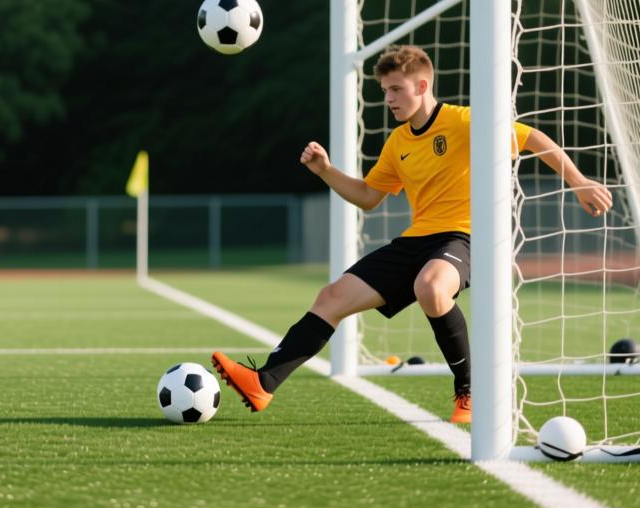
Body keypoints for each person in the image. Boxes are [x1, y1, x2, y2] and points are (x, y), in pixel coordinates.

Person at [213, 44, 612, 424]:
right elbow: (369, 197)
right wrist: (325, 171)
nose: (388, 98)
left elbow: (532, 139)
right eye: (384, 91)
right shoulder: (397, 143)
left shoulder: (463, 121)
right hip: (416, 240)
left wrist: (578, 182)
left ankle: (470, 391)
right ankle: (263, 382)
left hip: (464, 237)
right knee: (331, 296)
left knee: (432, 288)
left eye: (396, 89)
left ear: (422, 86)